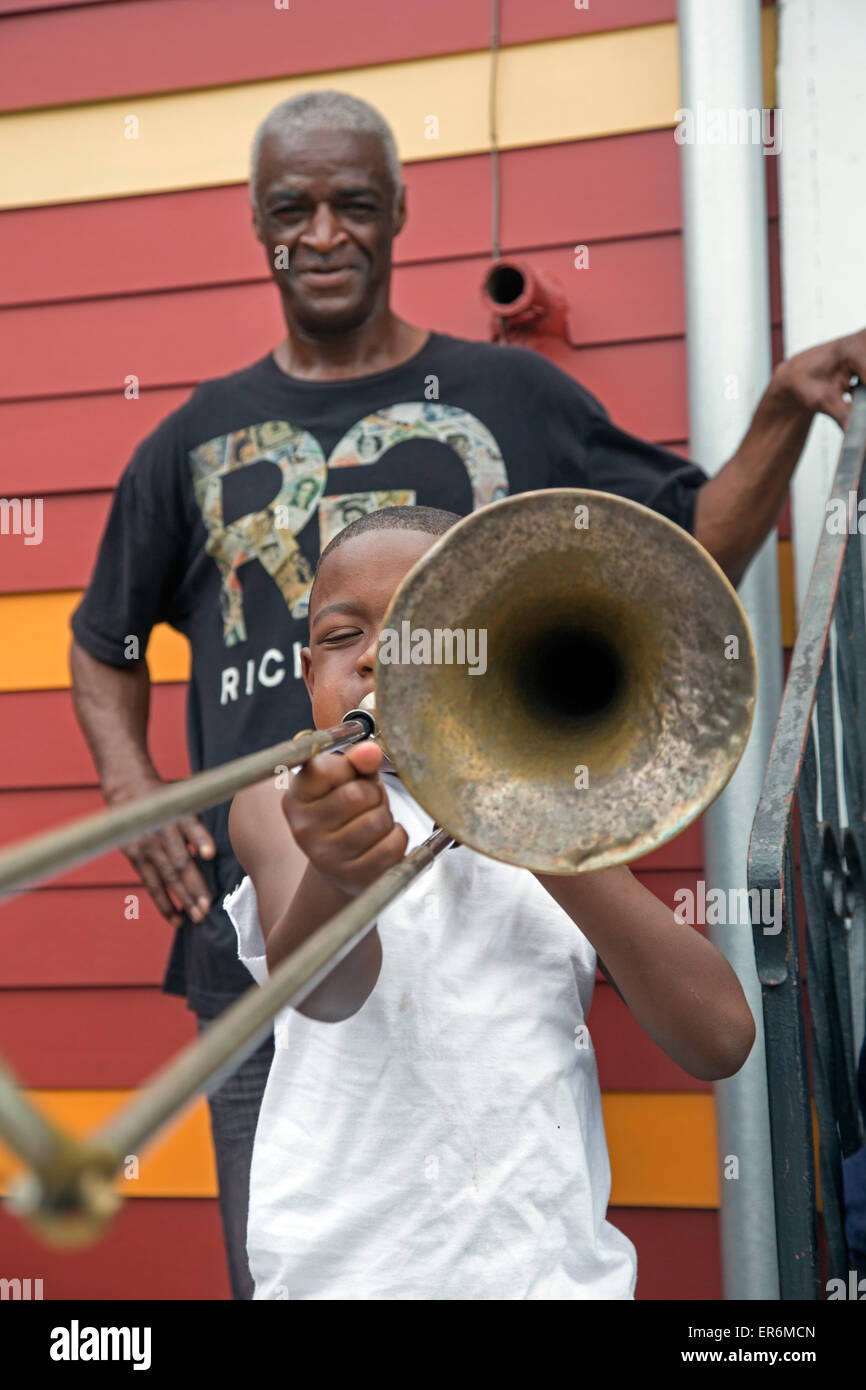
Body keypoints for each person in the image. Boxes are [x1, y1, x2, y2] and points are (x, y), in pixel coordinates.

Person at [67, 87, 866, 1300]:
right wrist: (139, 794)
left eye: (352, 203)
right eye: (294, 210)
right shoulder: (188, 437)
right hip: (279, 883)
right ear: (258, 226)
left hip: (496, 920)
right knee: (305, 1203)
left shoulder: (514, 398)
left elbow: (682, 560)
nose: (324, 232)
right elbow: (104, 638)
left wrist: (772, 413)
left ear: (397, 212)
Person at [224, 505, 756, 1300]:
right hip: (345, 1281)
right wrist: (338, 872)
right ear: (309, 678)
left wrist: (513, 803)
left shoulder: (554, 810)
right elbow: (325, 992)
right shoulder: (281, 801)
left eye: (421, 632)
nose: (374, 658)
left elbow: (719, 1036)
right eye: (342, 638)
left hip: (552, 1279)